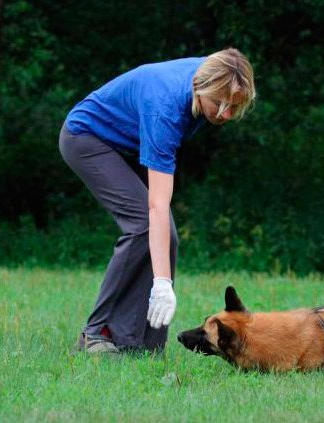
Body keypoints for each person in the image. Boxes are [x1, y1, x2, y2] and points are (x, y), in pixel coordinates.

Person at [59, 48, 256, 354]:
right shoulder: (164, 108)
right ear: (200, 88)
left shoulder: (217, 74)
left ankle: (145, 347)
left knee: (167, 238)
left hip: (126, 142)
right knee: (143, 225)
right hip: (86, 139)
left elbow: (231, 57)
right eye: (219, 104)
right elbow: (157, 207)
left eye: (234, 107)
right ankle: (96, 333)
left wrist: (162, 277)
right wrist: (162, 283)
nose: (225, 114)